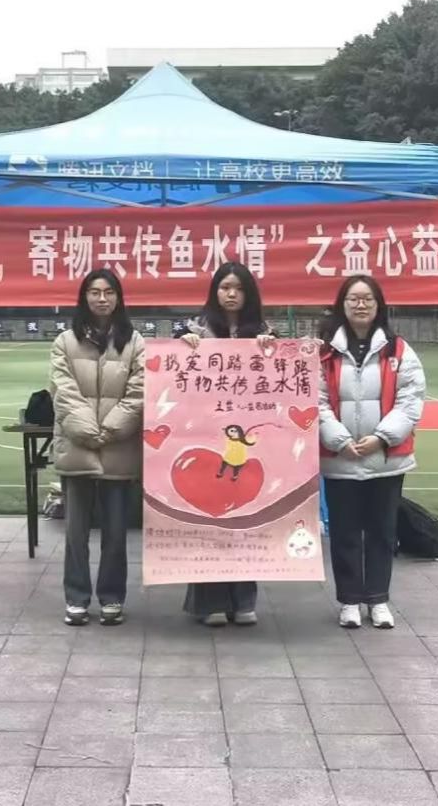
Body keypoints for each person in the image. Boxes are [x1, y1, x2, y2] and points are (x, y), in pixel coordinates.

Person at [317, 275, 425, 630]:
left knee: (382, 532)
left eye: (367, 299)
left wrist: (381, 438)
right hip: (340, 459)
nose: (360, 305)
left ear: (379, 305)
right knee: (344, 532)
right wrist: (339, 440)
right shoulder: (325, 352)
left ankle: (378, 599)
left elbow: (411, 400)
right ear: (342, 304)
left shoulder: (399, 350)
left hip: (386, 460)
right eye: (353, 298)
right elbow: (316, 401)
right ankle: (349, 601)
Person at [179, 261, 275, 627]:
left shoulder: (264, 332)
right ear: (214, 292)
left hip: (245, 442)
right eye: (224, 287)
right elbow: (172, 375)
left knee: (244, 521)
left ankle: (244, 600)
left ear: (248, 294)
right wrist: (184, 348)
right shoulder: (193, 330)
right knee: (208, 522)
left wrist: (271, 351)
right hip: (203, 435)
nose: (231, 294)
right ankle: (209, 602)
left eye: (238, 288)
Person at [50, 268, 145, 627]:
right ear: (84, 297)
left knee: (116, 533)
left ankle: (111, 597)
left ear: (118, 298)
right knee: (75, 533)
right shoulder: (65, 341)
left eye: (108, 292)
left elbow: (139, 391)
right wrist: (89, 432)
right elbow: (63, 391)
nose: (101, 299)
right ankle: (76, 598)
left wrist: (111, 429)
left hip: (119, 450)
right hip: (78, 447)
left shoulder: (135, 342)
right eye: (94, 292)